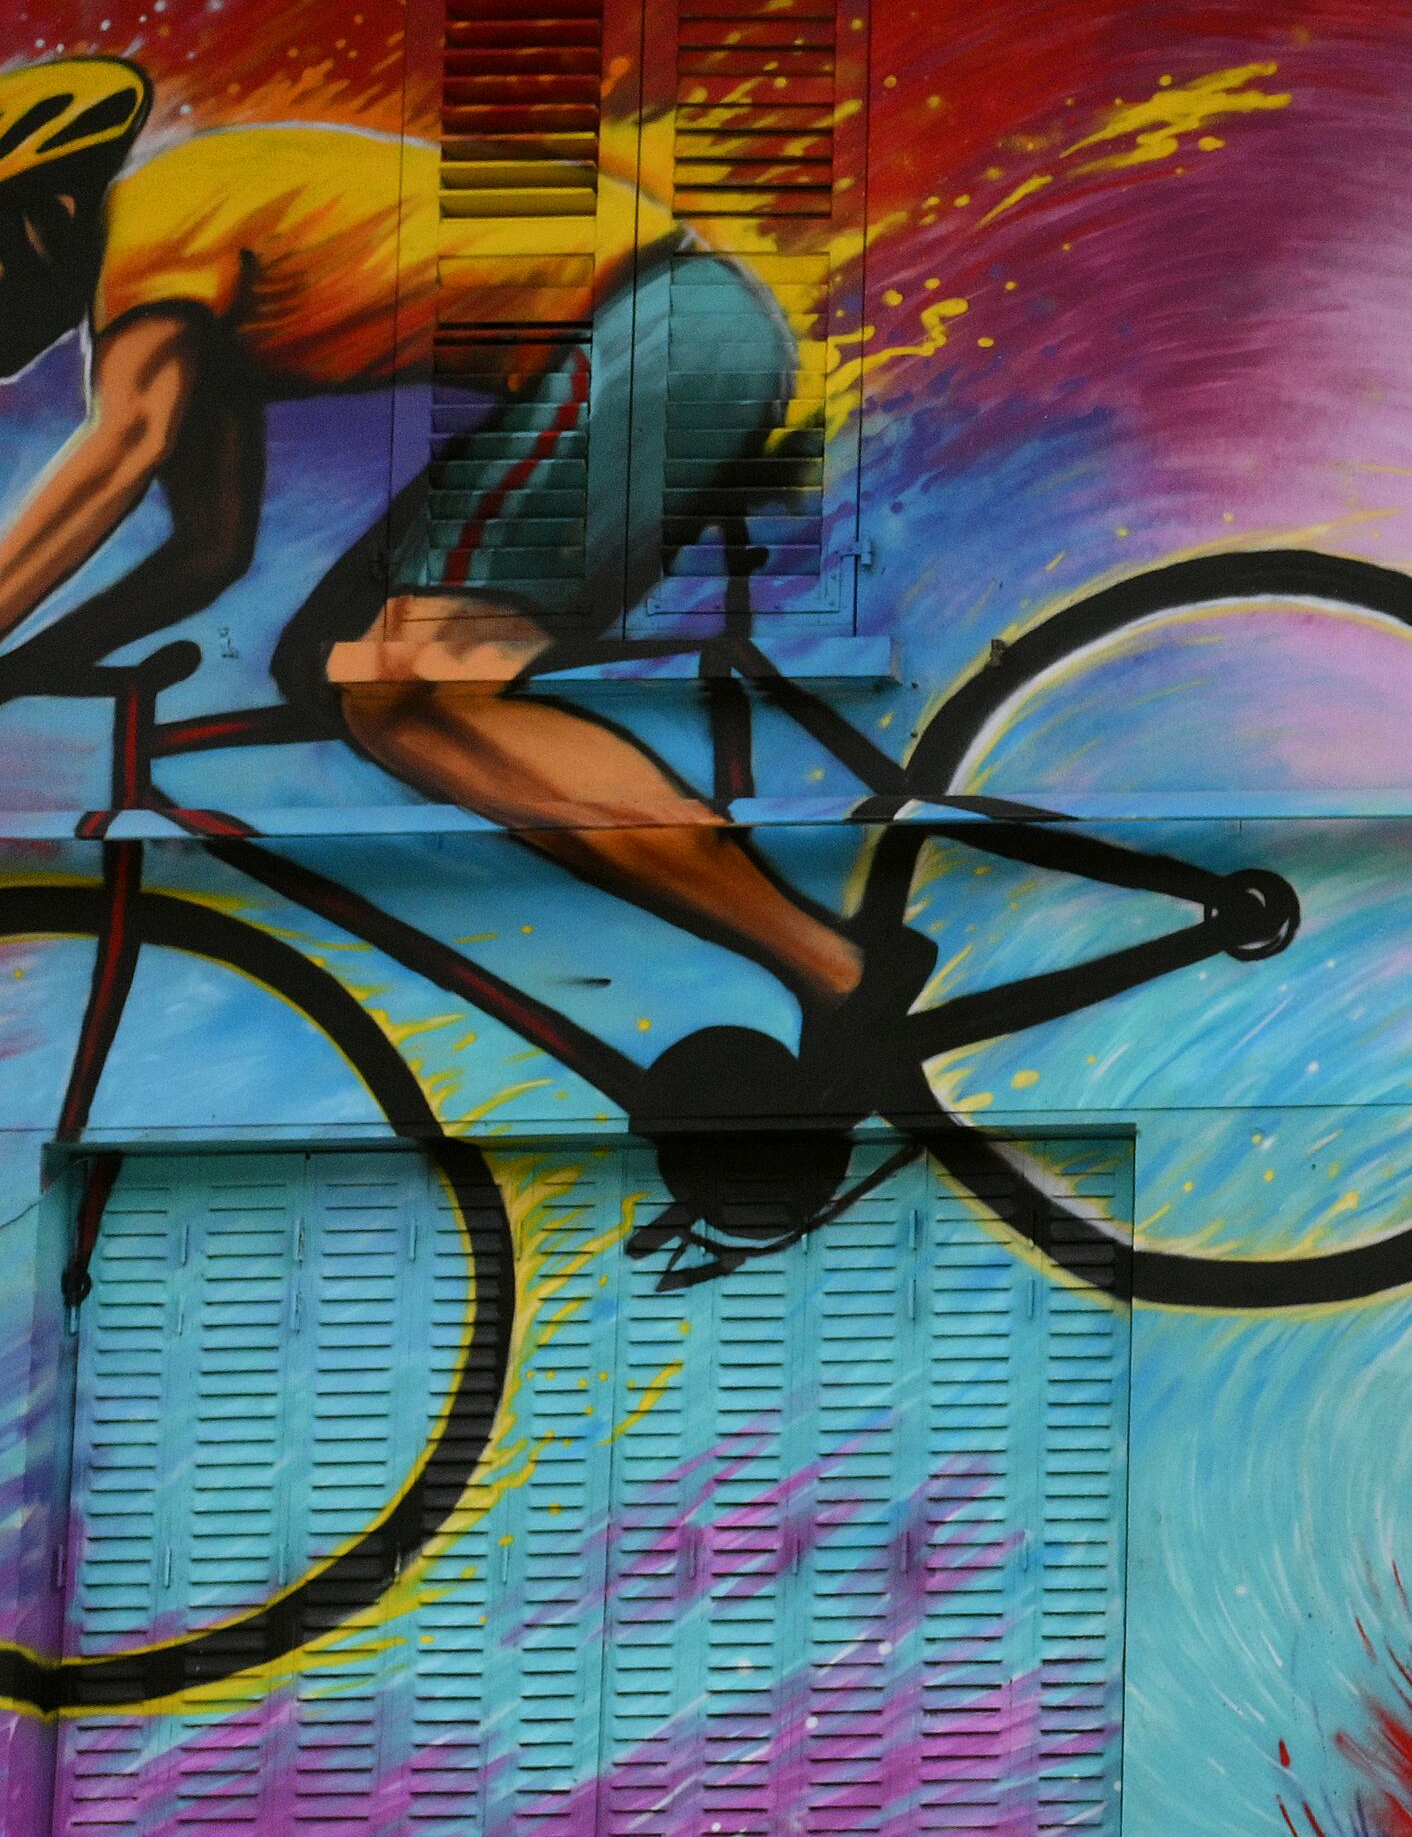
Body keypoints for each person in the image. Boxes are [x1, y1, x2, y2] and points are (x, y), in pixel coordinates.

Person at [0, 57, 914, 1082]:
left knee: (407, 688)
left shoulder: (156, 225)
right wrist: (29, 664)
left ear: (48, 211)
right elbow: (206, 555)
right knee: (328, 668)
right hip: (640, 336)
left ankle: (839, 971)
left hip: (659, 329)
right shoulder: (169, 310)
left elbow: (118, 452)